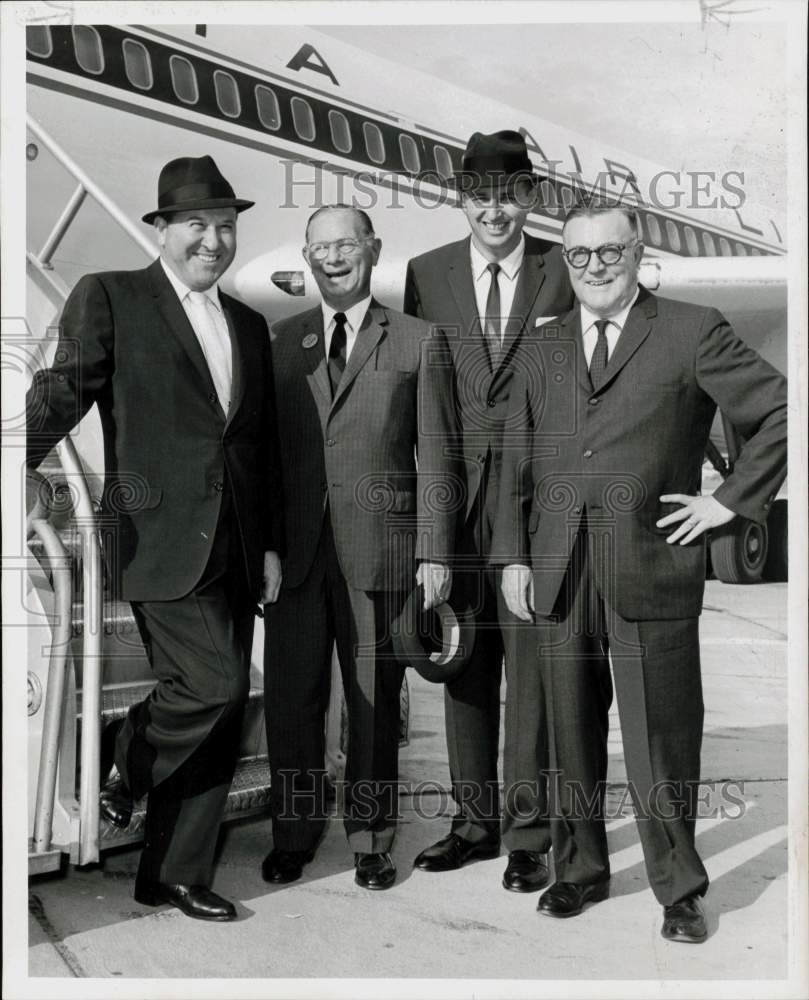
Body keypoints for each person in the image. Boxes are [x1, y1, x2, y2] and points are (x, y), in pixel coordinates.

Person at [495, 200, 787, 941]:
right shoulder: (541, 347)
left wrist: (728, 502)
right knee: (568, 734)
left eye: (608, 252)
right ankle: (579, 869)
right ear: (564, 262)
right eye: (579, 255)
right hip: (559, 571)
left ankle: (679, 889)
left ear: (637, 253)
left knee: (662, 738)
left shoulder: (691, 330)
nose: (594, 266)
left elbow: (779, 407)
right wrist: (511, 558)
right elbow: (513, 467)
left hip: (650, 565)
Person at [26, 156, 284, 922]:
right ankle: (126, 757)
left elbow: (258, 443)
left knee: (216, 714)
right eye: (198, 225)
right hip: (159, 536)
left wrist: (267, 543)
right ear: (163, 229)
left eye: (226, 227)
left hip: (236, 541)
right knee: (211, 688)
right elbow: (64, 387)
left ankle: (171, 873)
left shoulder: (247, 323)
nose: (214, 240)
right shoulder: (112, 295)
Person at [263, 205, 458, 890]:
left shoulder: (415, 340)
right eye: (320, 247)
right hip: (293, 558)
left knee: (373, 700)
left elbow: (436, 454)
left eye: (345, 244)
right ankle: (294, 832)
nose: (332, 258)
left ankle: (371, 839)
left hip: (382, 552)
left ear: (372, 250)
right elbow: (260, 458)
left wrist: (434, 551)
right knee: (292, 701)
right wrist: (263, 544)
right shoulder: (281, 341)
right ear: (307, 257)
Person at [403, 130, 575, 891]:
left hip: (536, 512)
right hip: (457, 509)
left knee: (532, 676)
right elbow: (428, 410)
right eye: (479, 196)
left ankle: (529, 834)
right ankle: (473, 824)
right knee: (465, 666)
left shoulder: (561, 268)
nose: (494, 210)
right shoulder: (425, 274)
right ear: (461, 199)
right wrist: (433, 535)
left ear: (528, 198)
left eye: (507, 195)